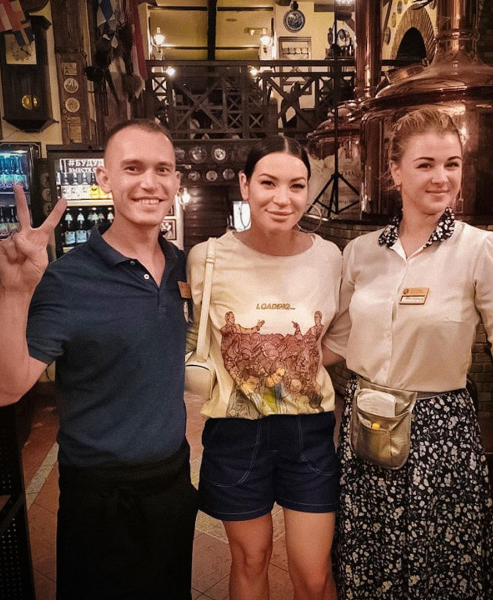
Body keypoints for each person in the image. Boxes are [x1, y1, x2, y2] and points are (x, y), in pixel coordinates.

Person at [322, 107, 493, 599]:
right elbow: (339, 340)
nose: (441, 177)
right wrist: (280, 357)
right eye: (425, 164)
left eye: (452, 164)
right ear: (396, 172)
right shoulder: (361, 253)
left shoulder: (483, 251)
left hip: (439, 432)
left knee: (439, 569)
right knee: (372, 560)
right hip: (367, 426)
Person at [0, 119, 198, 600]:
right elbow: (1, 389)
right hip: (99, 494)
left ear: (175, 181)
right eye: (133, 168)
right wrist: (14, 291)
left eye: (162, 169)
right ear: (105, 179)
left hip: (172, 481)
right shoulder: (67, 279)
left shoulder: (185, 268)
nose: (149, 182)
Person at [187, 136, 341, 600]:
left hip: (309, 432)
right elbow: (197, 336)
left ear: (308, 189)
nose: (282, 198)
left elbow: (340, 339)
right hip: (236, 433)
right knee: (250, 560)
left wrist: (288, 364)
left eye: (296, 185)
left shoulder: (329, 257)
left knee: (312, 574)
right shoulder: (208, 257)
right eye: (268, 183)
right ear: (244, 185)